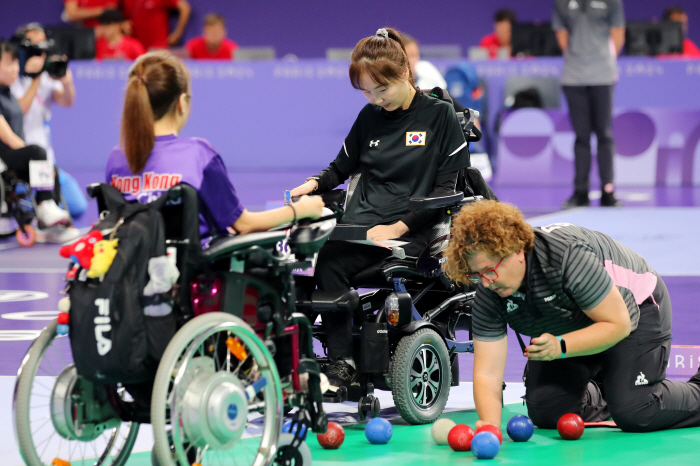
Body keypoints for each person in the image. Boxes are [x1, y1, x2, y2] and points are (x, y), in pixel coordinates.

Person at [289, 27, 471, 393]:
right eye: (366, 92)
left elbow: (446, 193)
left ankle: (351, 359)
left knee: (332, 263)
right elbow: (340, 167)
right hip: (359, 231)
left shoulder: (440, 117)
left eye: (381, 89)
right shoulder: (369, 117)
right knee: (308, 265)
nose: (375, 99)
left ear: (405, 72)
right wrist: (312, 184)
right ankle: (324, 362)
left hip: (411, 237)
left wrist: (400, 227)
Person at [442, 200, 700, 433]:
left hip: (633, 310)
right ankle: (613, 387)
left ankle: (635, 394)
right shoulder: (490, 292)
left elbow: (617, 323)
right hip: (571, 327)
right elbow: (487, 372)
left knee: (637, 412)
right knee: (548, 413)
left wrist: (562, 345)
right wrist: (489, 425)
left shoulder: (565, 257)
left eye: (490, 270)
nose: (486, 282)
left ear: (516, 250)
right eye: (476, 276)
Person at [105, 51, 323, 240]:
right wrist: (300, 209)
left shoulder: (117, 158)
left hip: (132, 281)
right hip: (191, 280)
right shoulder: (198, 154)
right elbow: (243, 225)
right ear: (181, 103)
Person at [0, 41, 79, 242]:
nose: (15, 69)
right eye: (9, 64)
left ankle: (49, 225)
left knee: (52, 168)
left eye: (16, 63)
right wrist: (37, 156)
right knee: (37, 153)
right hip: (3, 157)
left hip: (12, 155)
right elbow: (7, 136)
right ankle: (44, 208)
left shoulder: (8, 93)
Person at [11, 23, 87, 219]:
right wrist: (35, 77)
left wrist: (67, 82)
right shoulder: (12, 77)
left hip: (47, 161)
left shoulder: (46, 77)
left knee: (77, 206)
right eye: (35, 46)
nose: (41, 52)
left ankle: (37, 205)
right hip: (21, 158)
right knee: (37, 204)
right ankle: (30, 205)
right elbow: (19, 110)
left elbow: (67, 101)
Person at [553, 0, 625, 208]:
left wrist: (604, 62)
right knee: (581, 137)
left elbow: (618, 33)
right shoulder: (562, 2)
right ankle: (580, 191)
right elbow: (562, 34)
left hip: (602, 76)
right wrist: (578, 59)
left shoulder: (612, 2)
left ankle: (608, 191)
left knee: (604, 134)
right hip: (573, 77)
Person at [121, 0, 191, 51]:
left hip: (157, 47)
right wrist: (123, 25)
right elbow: (115, 15)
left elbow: (184, 8)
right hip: (135, 47)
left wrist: (177, 34)